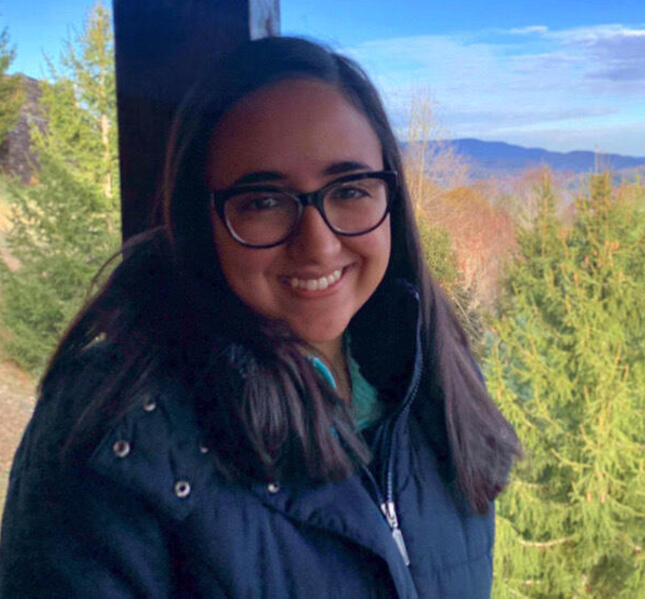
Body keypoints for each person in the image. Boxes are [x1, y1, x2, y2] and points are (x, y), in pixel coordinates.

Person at [0, 37, 520, 598]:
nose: (318, 245)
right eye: (264, 201)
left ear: (389, 196)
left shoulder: (434, 375)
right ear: (202, 220)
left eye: (349, 190)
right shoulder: (115, 430)